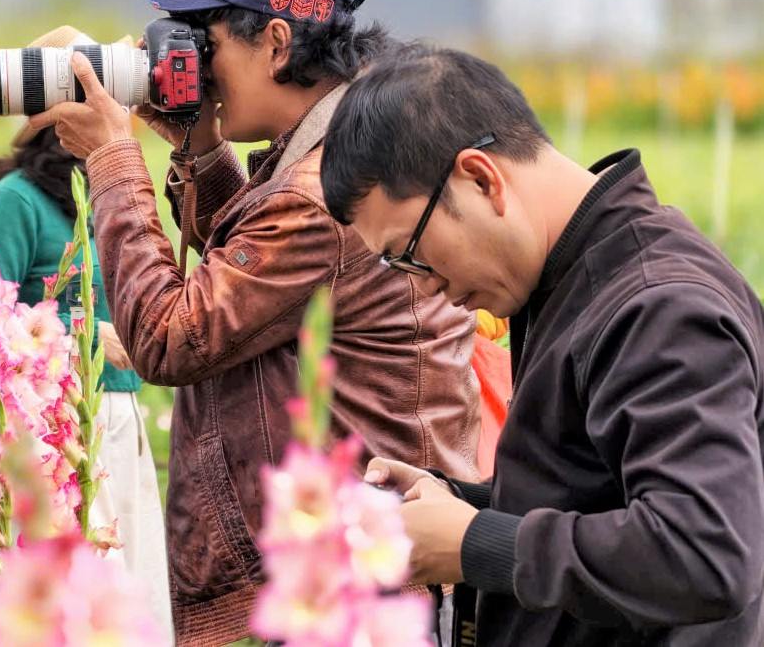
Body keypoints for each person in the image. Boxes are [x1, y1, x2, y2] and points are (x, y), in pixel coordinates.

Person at [23, 0, 480, 645]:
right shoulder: (341, 149)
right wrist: (196, 145)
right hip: (355, 567)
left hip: (357, 592)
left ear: (273, 42)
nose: (196, 65)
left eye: (207, 43)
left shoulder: (319, 190)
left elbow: (170, 338)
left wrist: (113, 159)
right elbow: (251, 276)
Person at [320, 42, 764, 645]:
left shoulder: (657, 307)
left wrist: (475, 544)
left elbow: (704, 553)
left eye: (410, 254)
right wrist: (460, 504)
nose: (425, 290)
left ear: (481, 178)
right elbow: (596, 494)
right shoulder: (573, 279)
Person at [0, 25, 173, 640]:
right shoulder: (14, 201)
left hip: (117, 412)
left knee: (127, 591)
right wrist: (81, 331)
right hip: (52, 428)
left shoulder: (105, 192)